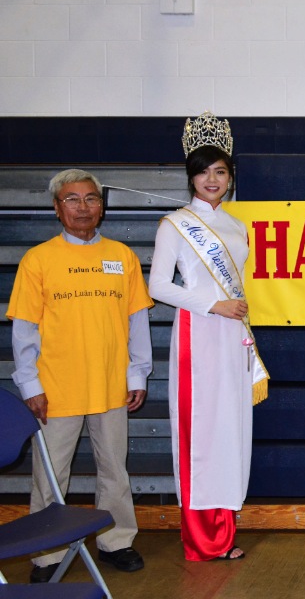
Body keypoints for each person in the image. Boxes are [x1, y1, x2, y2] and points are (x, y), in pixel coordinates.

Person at [6, 168, 153, 583]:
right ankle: (46, 554)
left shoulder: (122, 256)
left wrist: (137, 375)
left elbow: (136, 321)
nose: (83, 207)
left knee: (114, 472)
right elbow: (24, 333)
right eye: (72, 200)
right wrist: (30, 385)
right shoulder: (38, 260)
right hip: (55, 390)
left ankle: (117, 542)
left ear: (102, 207)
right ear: (57, 209)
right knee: (50, 479)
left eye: (91, 198)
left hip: (111, 387)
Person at [149, 111, 268, 562]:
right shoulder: (175, 225)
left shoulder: (237, 226)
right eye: (203, 172)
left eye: (220, 171)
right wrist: (214, 305)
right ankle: (201, 541)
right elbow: (157, 286)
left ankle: (222, 534)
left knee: (230, 432)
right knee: (201, 433)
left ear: (231, 176)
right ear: (191, 178)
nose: (211, 179)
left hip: (232, 340)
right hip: (198, 337)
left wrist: (231, 311)